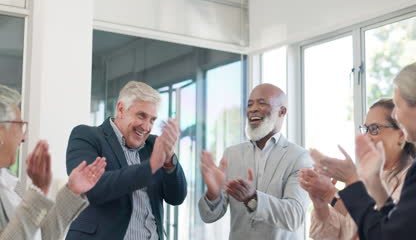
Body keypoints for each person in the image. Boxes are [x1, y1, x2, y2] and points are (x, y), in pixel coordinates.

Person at [316, 60, 416, 239]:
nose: (395, 114)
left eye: (398, 105)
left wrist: (352, 180)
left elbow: (387, 236)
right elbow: (403, 225)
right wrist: (374, 182)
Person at [65, 81, 187, 240]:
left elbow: (176, 197)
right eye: (141, 116)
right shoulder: (86, 136)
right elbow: (93, 189)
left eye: (152, 120)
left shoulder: (153, 146)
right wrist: (150, 167)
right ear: (121, 109)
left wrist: (169, 160)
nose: (146, 126)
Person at [198, 83, 313, 240]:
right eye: (250, 104)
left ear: (282, 111)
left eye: (262, 103)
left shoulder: (300, 157)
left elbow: (294, 216)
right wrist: (213, 193)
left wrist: (253, 199)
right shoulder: (231, 154)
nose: (253, 109)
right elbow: (208, 216)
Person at [301, 98, 416, 240]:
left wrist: (334, 191)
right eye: (365, 129)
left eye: (374, 129)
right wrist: (321, 203)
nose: (366, 137)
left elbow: (385, 229)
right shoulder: (365, 178)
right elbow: (327, 236)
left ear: (401, 135)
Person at [0, 84, 106, 240]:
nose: (23, 138)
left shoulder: (7, 182)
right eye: (20, 126)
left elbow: (41, 235)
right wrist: (38, 192)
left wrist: (72, 191)